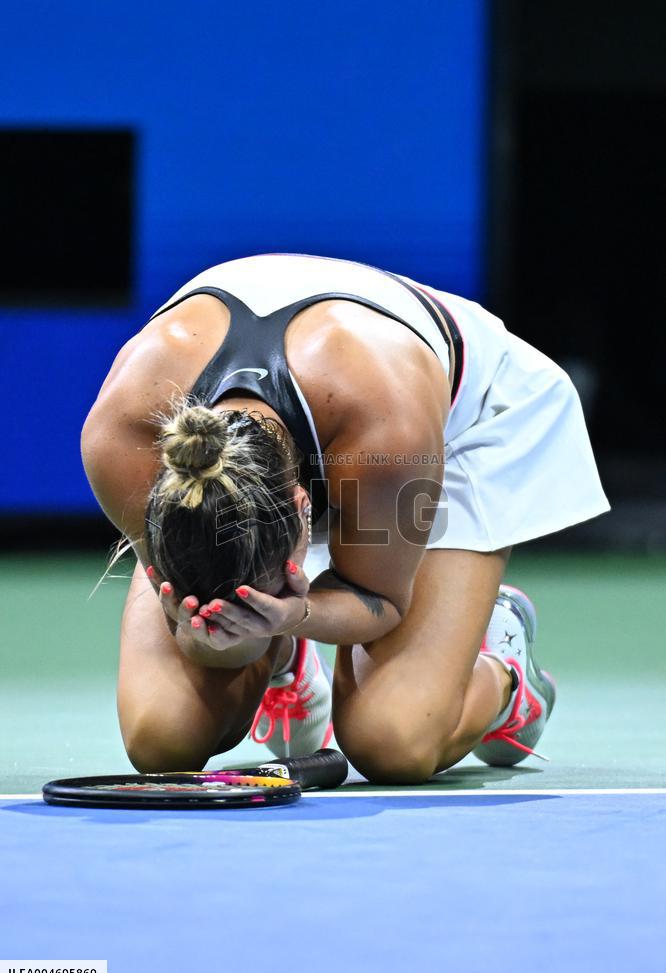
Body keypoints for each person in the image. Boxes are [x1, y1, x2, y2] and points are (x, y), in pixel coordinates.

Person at [81, 253, 609, 782]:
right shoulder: (124, 443)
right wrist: (207, 630)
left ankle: (505, 673)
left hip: (456, 424)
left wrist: (297, 613)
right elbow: (199, 628)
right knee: (163, 741)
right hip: (324, 422)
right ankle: (284, 662)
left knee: (394, 740)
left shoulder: (388, 439)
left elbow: (380, 599)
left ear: (304, 510)